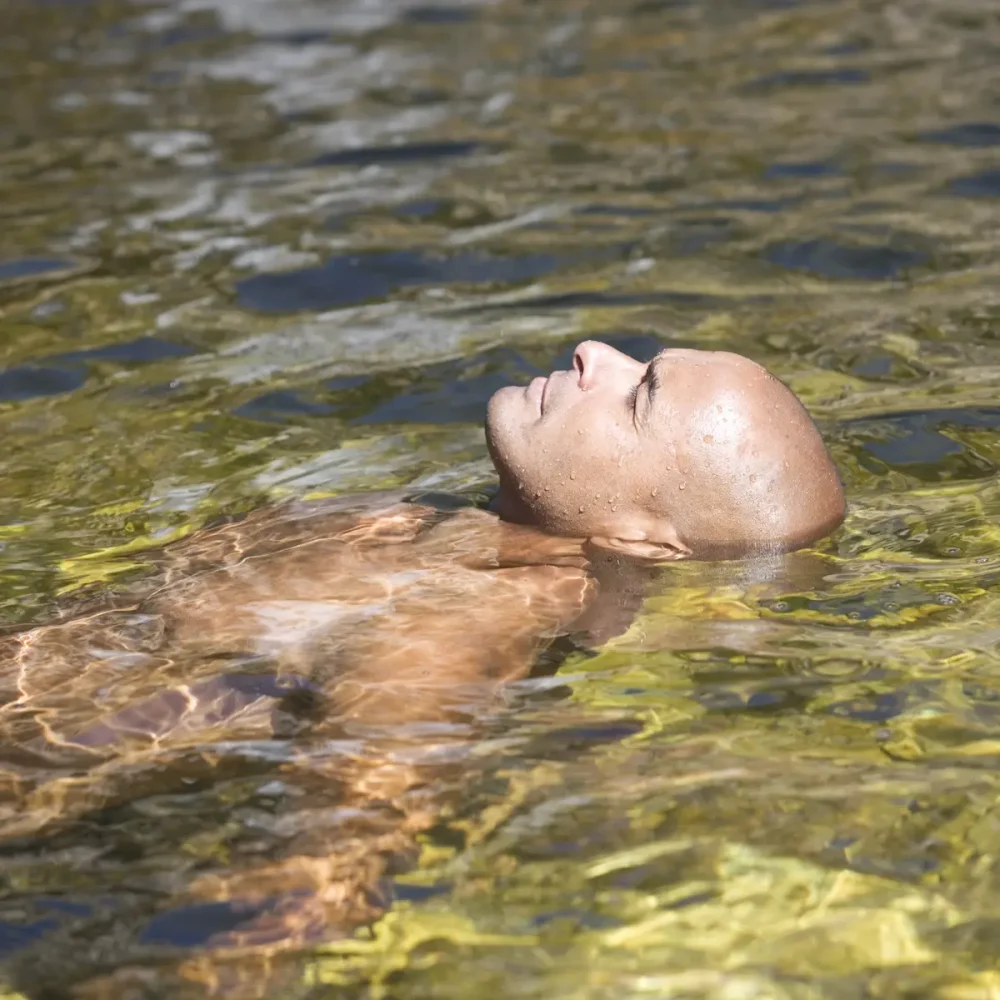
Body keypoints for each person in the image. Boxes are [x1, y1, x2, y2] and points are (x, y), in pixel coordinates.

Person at [0, 340, 845, 993]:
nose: (595, 353)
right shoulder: (438, 529)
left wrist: (210, 967)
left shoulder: (482, 605)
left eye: (640, 396)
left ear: (638, 537)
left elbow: (359, 820)